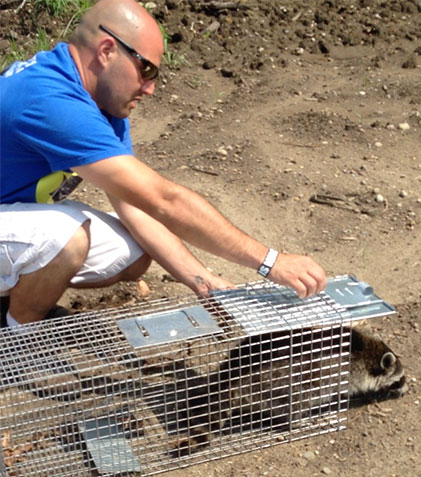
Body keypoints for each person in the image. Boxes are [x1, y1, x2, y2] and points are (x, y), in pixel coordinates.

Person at [0, 0, 326, 328]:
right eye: (146, 70)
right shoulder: (50, 101)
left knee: (134, 249)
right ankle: (18, 331)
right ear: (107, 50)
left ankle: (20, 293)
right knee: (67, 237)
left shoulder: (101, 100)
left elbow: (137, 205)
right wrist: (270, 262)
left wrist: (203, 282)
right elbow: (164, 200)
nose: (151, 87)